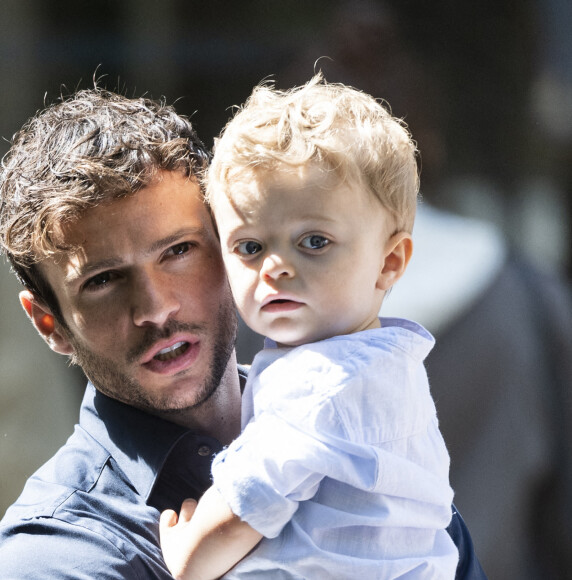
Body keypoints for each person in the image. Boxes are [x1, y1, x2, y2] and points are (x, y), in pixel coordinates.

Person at [0, 87, 486, 579]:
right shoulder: (53, 557)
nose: (156, 307)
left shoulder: (368, 445)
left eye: (179, 251)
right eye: (103, 280)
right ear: (48, 323)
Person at [159, 76, 459, 579]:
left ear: (389, 262)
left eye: (314, 242)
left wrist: (184, 553)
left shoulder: (319, 383)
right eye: (250, 247)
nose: (274, 267)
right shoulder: (390, 366)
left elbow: (242, 506)